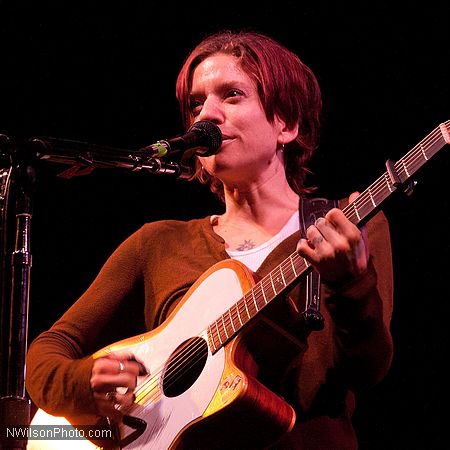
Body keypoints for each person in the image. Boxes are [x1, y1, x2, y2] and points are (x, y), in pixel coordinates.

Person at [25, 30, 393, 449]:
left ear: (286, 124)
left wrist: (352, 285)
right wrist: (85, 382)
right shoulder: (159, 242)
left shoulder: (348, 223)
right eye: (197, 103)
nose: (206, 115)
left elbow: (367, 371)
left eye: (232, 95)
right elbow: (47, 353)